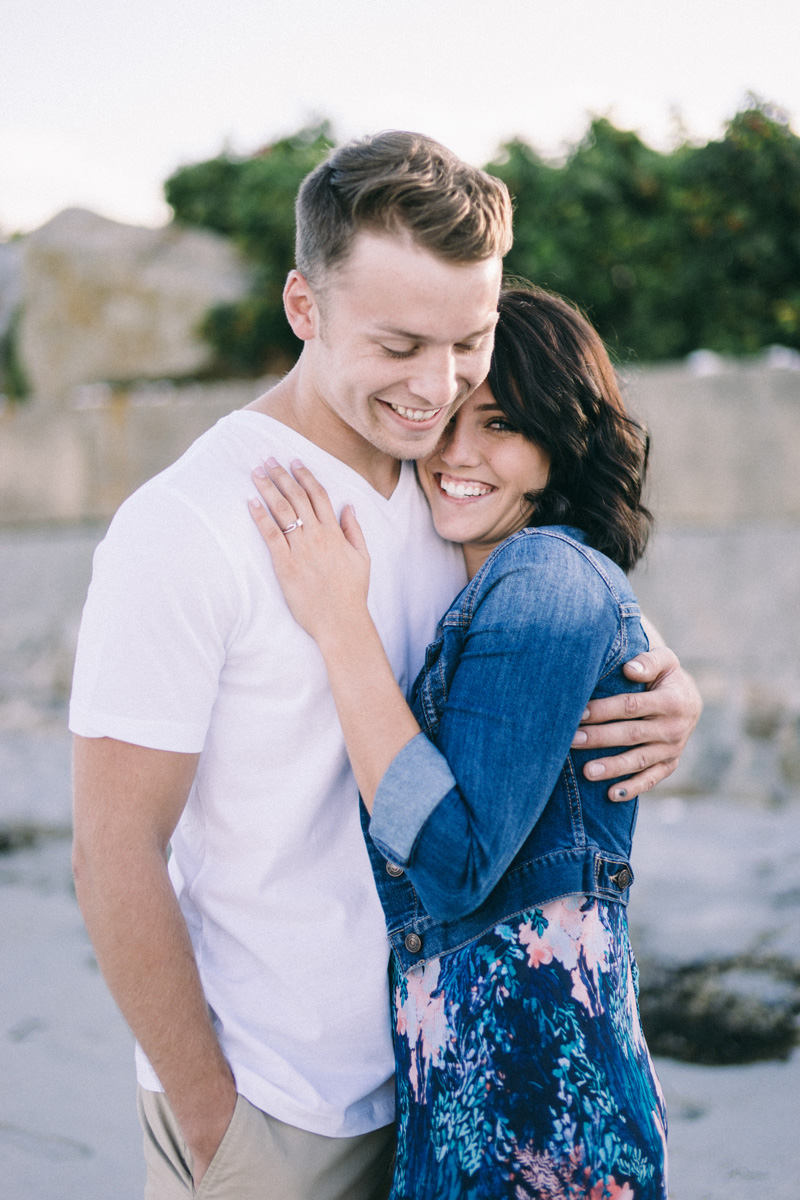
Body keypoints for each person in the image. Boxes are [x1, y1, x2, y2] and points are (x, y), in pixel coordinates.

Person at [70, 134, 698, 1200]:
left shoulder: (446, 490)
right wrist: (217, 1128)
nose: (435, 389)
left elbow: (523, 654)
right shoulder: (188, 525)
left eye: (470, 345)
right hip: (279, 1106)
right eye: (400, 344)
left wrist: (650, 679)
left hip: (440, 1090)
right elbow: (113, 850)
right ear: (303, 308)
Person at [247, 286, 668, 1199]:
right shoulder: (491, 582)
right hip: (469, 1103)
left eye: (505, 424)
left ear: (560, 448)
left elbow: (455, 862)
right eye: (450, 418)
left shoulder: (545, 577)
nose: (460, 454)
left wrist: (338, 621)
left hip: (542, 1118)